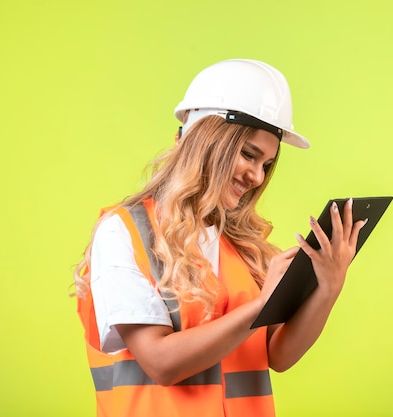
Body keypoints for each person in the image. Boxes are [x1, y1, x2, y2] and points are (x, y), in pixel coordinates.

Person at [73, 58, 367, 417]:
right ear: (204, 140)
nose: (257, 176)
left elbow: (279, 354)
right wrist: (261, 306)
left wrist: (329, 286)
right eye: (248, 154)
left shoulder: (242, 245)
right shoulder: (124, 232)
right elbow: (160, 362)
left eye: (267, 164)